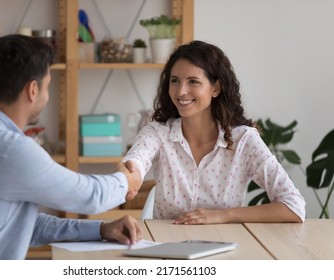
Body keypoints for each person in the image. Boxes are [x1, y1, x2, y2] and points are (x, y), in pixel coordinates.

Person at [0, 34, 142, 260]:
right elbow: (90, 195)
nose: (47, 96)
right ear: (32, 90)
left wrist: (100, 230)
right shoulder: (13, 152)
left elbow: (23, 225)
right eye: (48, 86)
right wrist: (126, 180)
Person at [124, 40, 306, 224]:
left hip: (224, 246)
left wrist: (224, 215)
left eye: (193, 81)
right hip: (166, 246)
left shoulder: (243, 140)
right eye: (175, 81)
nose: (181, 91)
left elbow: (294, 206)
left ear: (215, 88)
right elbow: (134, 161)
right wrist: (131, 174)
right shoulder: (157, 133)